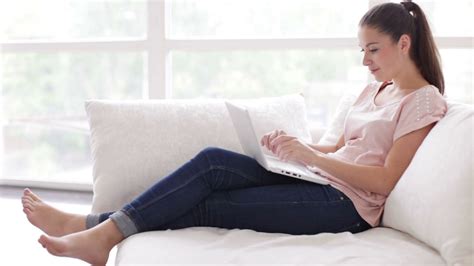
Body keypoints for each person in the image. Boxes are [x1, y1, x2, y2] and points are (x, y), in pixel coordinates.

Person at [21, 1, 447, 265]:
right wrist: (294, 150)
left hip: (347, 206)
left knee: (215, 205)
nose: (365, 61)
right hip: (322, 179)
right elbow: (341, 148)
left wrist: (313, 159)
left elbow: (387, 179)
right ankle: (97, 229)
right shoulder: (376, 88)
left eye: (373, 50)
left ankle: (97, 230)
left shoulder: (423, 101)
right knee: (213, 163)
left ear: (404, 44)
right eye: (363, 51)